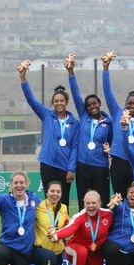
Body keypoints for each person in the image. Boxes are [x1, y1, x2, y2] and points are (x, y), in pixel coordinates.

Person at [19, 64, 78, 209]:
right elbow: (31, 100)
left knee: (63, 201)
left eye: (61, 101)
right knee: (49, 198)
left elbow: (75, 147)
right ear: (53, 103)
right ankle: (49, 227)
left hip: (64, 167)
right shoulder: (46, 115)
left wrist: (71, 169)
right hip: (47, 164)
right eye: (56, 101)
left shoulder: (74, 123)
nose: (59, 103)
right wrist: (23, 77)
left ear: (66, 102)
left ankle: (62, 229)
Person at [66, 58, 112, 209]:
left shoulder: (109, 123)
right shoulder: (84, 116)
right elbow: (75, 93)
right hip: (83, 166)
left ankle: (103, 231)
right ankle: (84, 230)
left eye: (94, 103)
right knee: (83, 202)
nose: (92, 106)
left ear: (100, 104)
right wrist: (70, 72)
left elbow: (111, 143)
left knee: (102, 201)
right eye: (89, 105)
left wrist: (109, 149)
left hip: (101, 166)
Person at [50, 190, 113, 265]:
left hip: (94, 254)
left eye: (94, 203)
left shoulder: (108, 214)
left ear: (99, 203)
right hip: (74, 248)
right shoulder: (80, 216)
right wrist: (57, 235)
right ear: (84, 204)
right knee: (81, 251)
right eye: (87, 203)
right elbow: (70, 228)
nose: (91, 206)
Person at [102, 54, 134, 197]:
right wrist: (105, 68)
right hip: (118, 162)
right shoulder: (117, 112)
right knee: (119, 197)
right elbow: (107, 92)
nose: (132, 106)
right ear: (125, 104)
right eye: (130, 103)